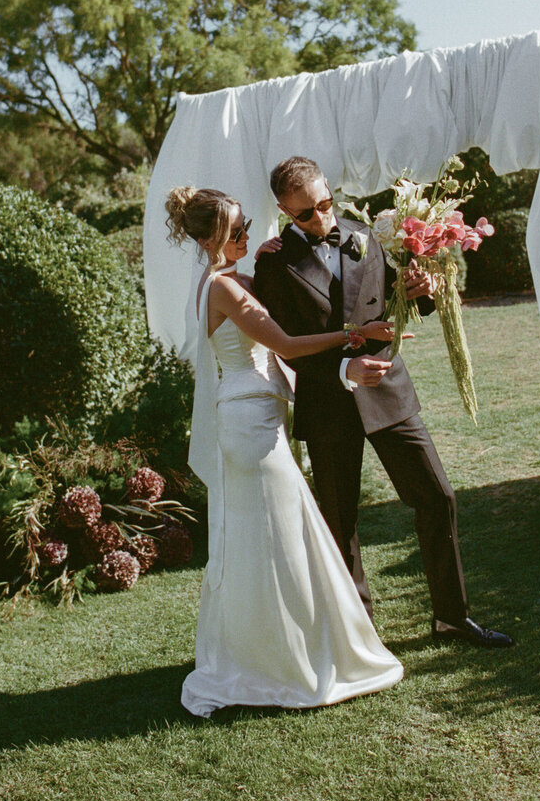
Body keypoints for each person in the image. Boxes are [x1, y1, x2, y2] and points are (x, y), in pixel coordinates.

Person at [252, 155, 513, 649]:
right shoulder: (272, 263)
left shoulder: (371, 235)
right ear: (286, 212)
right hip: (328, 403)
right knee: (340, 523)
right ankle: (362, 639)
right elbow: (283, 343)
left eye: (326, 203)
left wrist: (426, 288)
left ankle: (452, 618)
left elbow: (399, 301)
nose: (323, 218)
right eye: (307, 213)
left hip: (389, 393)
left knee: (438, 497)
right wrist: (342, 368)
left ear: (330, 191)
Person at [165, 185, 404, 717]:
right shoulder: (223, 288)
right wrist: (354, 333)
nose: (248, 235)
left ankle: (274, 650)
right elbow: (288, 346)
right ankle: (287, 662)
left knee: (268, 542)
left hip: (259, 417)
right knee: (280, 540)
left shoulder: (235, 281)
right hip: (251, 425)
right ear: (209, 239)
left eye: (247, 224)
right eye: (236, 231)